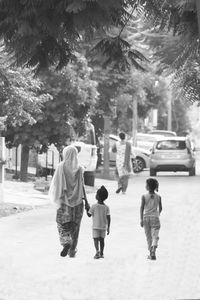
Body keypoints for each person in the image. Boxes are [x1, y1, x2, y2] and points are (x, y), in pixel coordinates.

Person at [49, 145, 89, 258]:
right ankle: (72, 251)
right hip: (78, 205)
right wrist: (87, 203)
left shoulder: (61, 167)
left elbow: (56, 185)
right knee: (75, 228)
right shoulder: (80, 168)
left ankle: (66, 242)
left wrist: (57, 198)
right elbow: (82, 186)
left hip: (64, 203)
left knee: (62, 225)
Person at [140, 178, 162, 260]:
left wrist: (141, 219)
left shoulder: (144, 196)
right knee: (155, 235)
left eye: (146, 185)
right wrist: (157, 214)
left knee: (148, 236)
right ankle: (153, 249)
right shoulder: (159, 197)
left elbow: (142, 208)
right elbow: (161, 208)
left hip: (146, 218)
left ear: (148, 187)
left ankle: (151, 253)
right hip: (155, 218)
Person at [86, 186, 111, 259]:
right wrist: (108, 227)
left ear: (98, 197)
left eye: (96, 194)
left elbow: (89, 215)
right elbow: (109, 218)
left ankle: (97, 251)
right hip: (103, 227)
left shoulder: (93, 206)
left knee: (96, 239)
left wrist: (87, 208)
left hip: (95, 227)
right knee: (102, 240)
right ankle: (102, 252)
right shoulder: (106, 207)